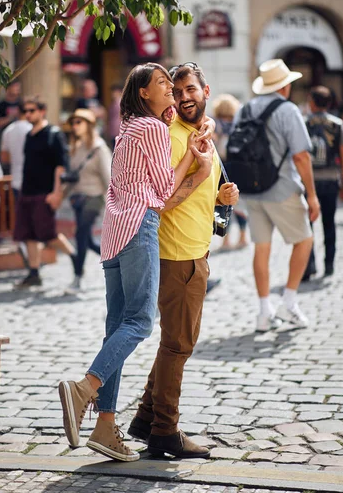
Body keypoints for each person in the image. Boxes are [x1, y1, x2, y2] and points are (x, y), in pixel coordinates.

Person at [58, 63, 209, 462]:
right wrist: (197, 164)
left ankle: (105, 426)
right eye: (163, 84)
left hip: (113, 233)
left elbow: (175, 124)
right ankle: (84, 388)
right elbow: (162, 189)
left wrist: (193, 140)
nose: (172, 92)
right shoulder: (155, 129)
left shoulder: (128, 127)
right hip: (141, 225)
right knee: (140, 322)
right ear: (144, 92)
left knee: (116, 328)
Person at [128, 62, 239, 460]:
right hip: (177, 256)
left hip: (195, 251)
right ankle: (164, 431)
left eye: (190, 89)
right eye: (177, 92)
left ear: (206, 89)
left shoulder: (199, 134)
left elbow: (198, 191)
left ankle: (145, 418)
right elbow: (163, 200)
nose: (184, 97)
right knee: (178, 345)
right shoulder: (174, 138)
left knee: (172, 343)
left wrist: (220, 197)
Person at [240, 59, 319, 333]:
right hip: (282, 189)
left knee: (261, 248)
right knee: (305, 240)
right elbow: (301, 155)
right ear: (285, 86)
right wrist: (312, 195)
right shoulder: (288, 110)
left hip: (252, 190)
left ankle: (264, 312)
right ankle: (289, 302)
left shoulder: (245, 108)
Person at [13, 98, 75, 289]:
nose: (28, 114)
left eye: (32, 110)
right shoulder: (29, 135)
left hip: (45, 193)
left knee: (48, 234)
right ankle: (34, 273)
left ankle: (75, 258)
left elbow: (60, 166)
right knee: (29, 235)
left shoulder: (53, 134)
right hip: (27, 192)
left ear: (42, 111)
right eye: (25, 111)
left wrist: (57, 193)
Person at [303, 86, 343, 279]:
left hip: (309, 182)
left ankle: (309, 265)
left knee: (307, 226)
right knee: (329, 223)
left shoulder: (304, 123)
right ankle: (329, 264)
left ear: (312, 103)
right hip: (331, 180)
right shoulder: (337, 124)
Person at [64, 109, 112, 295]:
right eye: (73, 122)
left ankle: (77, 277)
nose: (75, 126)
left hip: (94, 197)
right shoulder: (75, 147)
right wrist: (60, 195)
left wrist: (112, 206)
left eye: (79, 122)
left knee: (81, 234)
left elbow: (108, 178)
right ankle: (116, 259)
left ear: (89, 125)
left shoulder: (99, 148)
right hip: (77, 198)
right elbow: (73, 177)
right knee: (88, 240)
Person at [212, 93, 248, 251]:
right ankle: (242, 236)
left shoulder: (215, 124)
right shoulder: (238, 124)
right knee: (238, 203)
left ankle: (225, 240)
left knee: (220, 204)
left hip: (220, 168)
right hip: (237, 167)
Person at [0, 102, 32, 199]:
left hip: (15, 181)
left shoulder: (8, 130)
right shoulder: (33, 130)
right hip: (34, 183)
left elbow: (4, 158)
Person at [106, 84, 122, 149]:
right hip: (113, 130)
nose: (113, 94)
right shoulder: (114, 103)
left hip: (118, 130)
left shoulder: (121, 103)